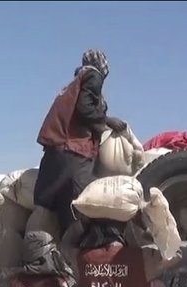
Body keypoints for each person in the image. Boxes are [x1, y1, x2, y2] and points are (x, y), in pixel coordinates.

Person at [35, 49, 128, 235]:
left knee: (52, 207)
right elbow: (85, 109)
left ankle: (43, 253)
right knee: (89, 202)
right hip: (74, 151)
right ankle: (89, 251)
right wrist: (108, 121)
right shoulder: (93, 75)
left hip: (55, 152)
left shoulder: (74, 83)